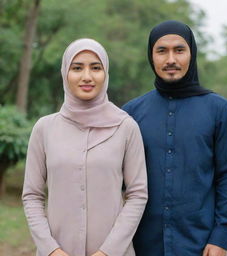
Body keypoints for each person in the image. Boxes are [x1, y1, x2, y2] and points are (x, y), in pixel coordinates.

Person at [122, 20, 227, 256]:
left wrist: (221, 238)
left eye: (179, 50)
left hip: (199, 244)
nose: (171, 60)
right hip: (142, 245)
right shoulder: (130, 114)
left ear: (191, 53)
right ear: (151, 55)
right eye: (161, 51)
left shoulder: (218, 110)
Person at [22, 38, 148, 256]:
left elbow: (137, 195)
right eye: (77, 68)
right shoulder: (45, 128)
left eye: (96, 68)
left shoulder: (126, 127)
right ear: (65, 73)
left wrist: (108, 251)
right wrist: (51, 250)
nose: (87, 76)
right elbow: (32, 196)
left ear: (106, 73)